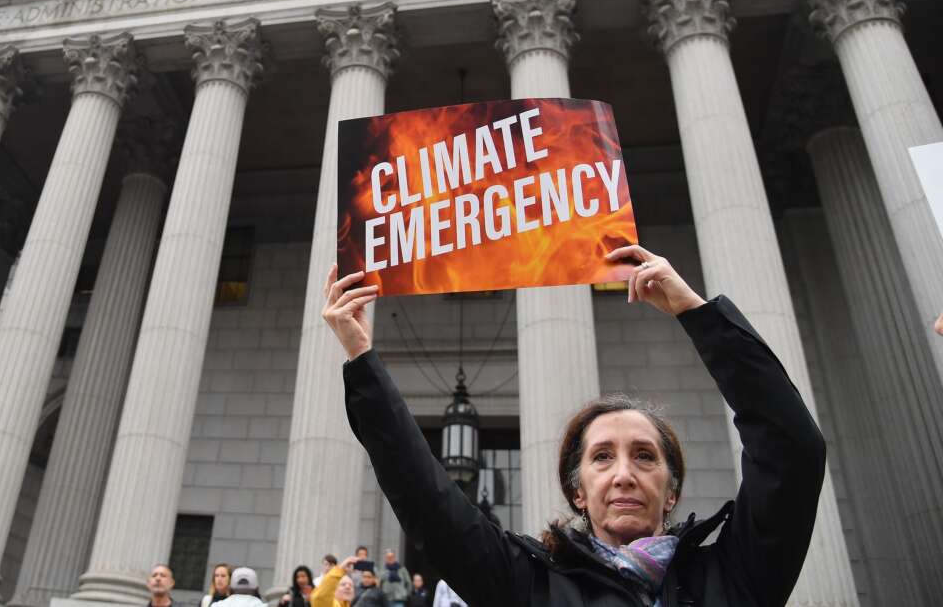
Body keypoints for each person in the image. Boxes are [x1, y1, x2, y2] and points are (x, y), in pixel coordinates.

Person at [322, 243, 827, 606]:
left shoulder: (734, 574)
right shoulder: (526, 585)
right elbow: (425, 498)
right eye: (602, 456)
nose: (624, 474)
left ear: (672, 492)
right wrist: (361, 357)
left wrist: (695, 312)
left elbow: (793, 450)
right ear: (578, 491)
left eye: (645, 456)